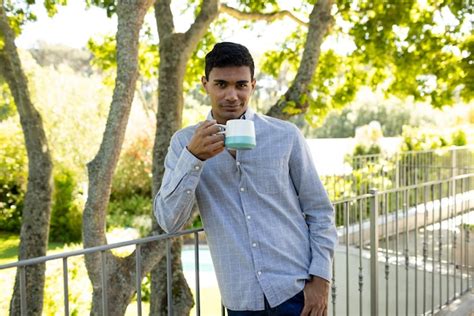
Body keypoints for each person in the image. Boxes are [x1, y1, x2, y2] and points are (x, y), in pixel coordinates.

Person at [154, 42, 337, 316]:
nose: (231, 95)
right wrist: (194, 158)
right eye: (221, 84)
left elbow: (320, 211)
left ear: (252, 85)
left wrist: (321, 280)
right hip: (241, 299)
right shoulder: (184, 143)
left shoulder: (286, 135)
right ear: (205, 84)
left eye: (240, 85)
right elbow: (168, 221)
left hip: (297, 291)